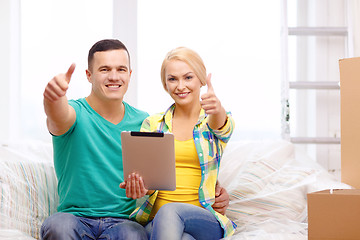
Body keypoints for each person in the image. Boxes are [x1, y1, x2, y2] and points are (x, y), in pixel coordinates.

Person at [41, 39, 230, 240]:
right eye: (104, 69)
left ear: (129, 74)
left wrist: (215, 188)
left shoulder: (145, 123)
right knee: (58, 227)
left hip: (122, 222)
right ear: (89, 75)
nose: (114, 77)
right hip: (73, 217)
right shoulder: (75, 113)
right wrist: (53, 98)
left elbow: (173, 165)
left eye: (121, 69)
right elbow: (58, 115)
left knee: (134, 235)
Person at [121, 47, 236, 239]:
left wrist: (217, 109)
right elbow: (149, 183)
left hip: (203, 219)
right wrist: (140, 186)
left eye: (188, 77)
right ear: (166, 85)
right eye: (172, 79)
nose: (180, 86)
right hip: (157, 220)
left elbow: (222, 126)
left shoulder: (212, 120)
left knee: (170, 211)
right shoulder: (153, 124)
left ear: (201, 79)